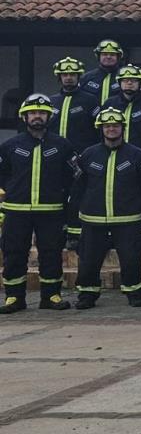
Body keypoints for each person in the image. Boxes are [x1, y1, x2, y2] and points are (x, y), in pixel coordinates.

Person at [71, 106, 141, 308]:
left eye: (115, 126)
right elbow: (77, 190)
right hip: (93, 220)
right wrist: (73, 225)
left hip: (128, 220)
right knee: (89, 261)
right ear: (101, 129)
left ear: (123, 128)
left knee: (131, 261)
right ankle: (87, 295)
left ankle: (134, 293)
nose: (111, 129)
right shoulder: (88, 155)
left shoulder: (137, 155)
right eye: (107, 126)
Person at [0, 94, 78, 312]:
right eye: (33, 113)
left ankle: (51, 296)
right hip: (16, 211)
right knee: (14, 253)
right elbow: (2, 175)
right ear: (24, 117)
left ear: (49, 117)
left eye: (41, 113)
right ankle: (14, 298)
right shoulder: (10, 146)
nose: (37, 117)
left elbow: (73, 177)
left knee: (51, 254)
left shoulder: (62, 146)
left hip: (51, 211)